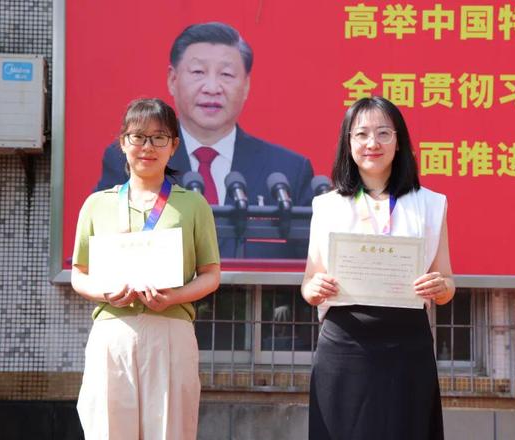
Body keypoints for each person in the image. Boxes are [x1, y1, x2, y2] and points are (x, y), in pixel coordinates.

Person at [301, 96, 455, 439]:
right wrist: (313, 289)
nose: (373, 143)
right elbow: (309, 283)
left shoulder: (430, 203)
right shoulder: (326, 206)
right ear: (348, 143)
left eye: (384, 133)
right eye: (362, 134)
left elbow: (447, 281)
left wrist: (441, 287)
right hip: (344, 345)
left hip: (407, 346)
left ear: (399, 142)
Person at [94, 22, 315, 258]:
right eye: (198, 72)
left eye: (226, 74)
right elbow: (102, 247)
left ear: (246, 85)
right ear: (173, 80)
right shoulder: (132, 159)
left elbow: (310, 263)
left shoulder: (289, 171)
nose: (212, 88)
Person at [71, 98, 220, 440]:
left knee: (169, 430)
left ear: (174, 146)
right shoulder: (97, 204)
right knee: (108, 430)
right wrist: (104, 292)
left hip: (170, 330)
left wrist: (174, 297)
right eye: (138, 137)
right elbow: (79, 272)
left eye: (159, 137)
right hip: (114, 331)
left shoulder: (193, 204)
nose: (147, 147)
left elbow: (211, 274)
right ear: (123, 143)